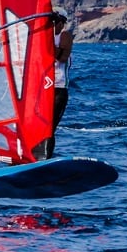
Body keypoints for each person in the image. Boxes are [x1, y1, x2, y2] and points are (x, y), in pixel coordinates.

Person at [41, 8, 73, 158]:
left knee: (49, 128)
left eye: (55, 22)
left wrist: (43, 42)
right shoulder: (41, 36)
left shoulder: (64, 36)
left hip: (58, 90)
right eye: (50, 22)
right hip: (41, 88)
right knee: (35, 125)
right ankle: (29, 156)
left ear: (62, 23)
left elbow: (62, 57)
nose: (53, 25)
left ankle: (45, 157)